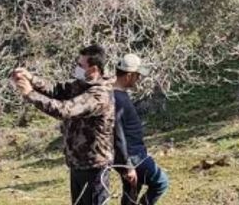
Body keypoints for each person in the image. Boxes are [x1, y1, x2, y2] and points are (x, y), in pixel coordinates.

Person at [11, 45, 117, 205]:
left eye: (81, 65)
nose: (77, 68)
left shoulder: (99, 95)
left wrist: (30, 94)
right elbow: (57, 90)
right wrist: (31, 78)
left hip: (94, 167)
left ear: (94, 69)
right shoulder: (81, 84)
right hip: (77, 164)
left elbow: (64, 110)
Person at [112, 54, 170, 205]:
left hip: (132, 155)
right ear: (129, 75)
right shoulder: (117, 99)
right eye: (137, 75)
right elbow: (117, 134)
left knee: (131, 192)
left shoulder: (118, 95)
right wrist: (127, 164)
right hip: (133, 156)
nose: (139, 79)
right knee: (161, 182)